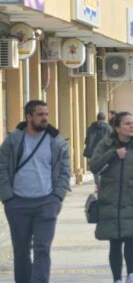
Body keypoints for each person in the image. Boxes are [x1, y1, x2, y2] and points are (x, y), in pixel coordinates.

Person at [0, 100, 71, 283]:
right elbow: (1, 168)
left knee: (42, 248)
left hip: (47, 202)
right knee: (21, 251)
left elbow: (65, 170)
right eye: (40, 115)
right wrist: (7, 197)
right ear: (29, 116)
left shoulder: (56, 141)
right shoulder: (13, 140)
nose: (45, 118)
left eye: (46, 114)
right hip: (17, 204)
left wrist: (57, 196)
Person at [89, 111, 133, 283]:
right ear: (117, 127)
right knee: (114, 241)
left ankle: (132, 274)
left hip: (132, 199)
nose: (132, 126)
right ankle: (117, 278)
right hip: (110, 199)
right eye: (127, 123)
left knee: (130, 238)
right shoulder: (105, 145)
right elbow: (94, 166)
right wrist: (112, 154)